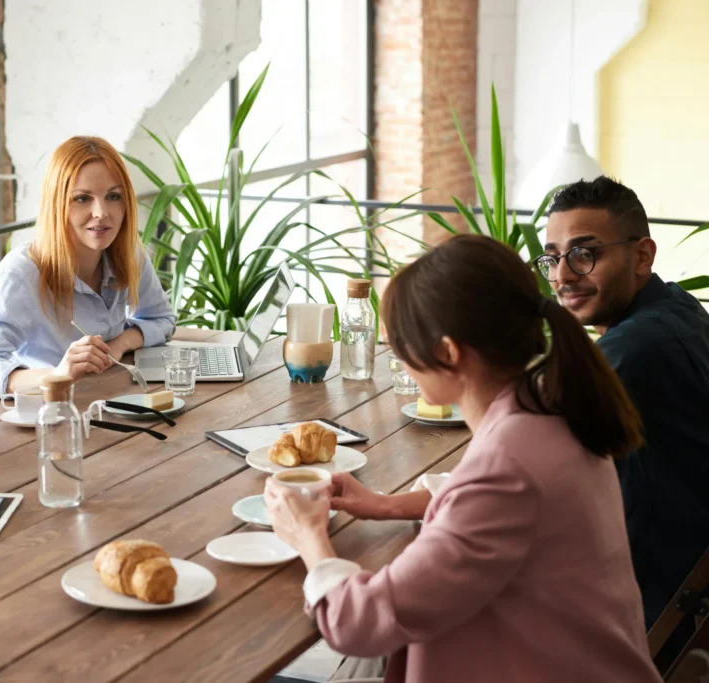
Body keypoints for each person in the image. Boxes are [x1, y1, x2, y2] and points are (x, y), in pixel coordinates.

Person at [264, 235, 660, 682]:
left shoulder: (507, 468)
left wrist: (307, 536)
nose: (400, 360)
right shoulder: (551, 411)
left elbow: (359, 623)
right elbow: (500, 510)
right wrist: (384, 504)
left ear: (448, 353)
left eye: (400, 346)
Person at [542, 176, 709, 631]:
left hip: (647, 608)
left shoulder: (635, 347)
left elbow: (526, 462)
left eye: (584, 253)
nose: (562, 275)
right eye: (553, 258)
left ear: (641, 256)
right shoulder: (675, 306)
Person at [0, 136, 175, 405]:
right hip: (34, 419)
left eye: (113, 196)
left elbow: (161, 319)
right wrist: (58, 374)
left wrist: (119, 344)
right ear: (58, 204)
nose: (101, 212)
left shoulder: (129, 255)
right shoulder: (21, 274)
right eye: (82, 199)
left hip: (97, 406)